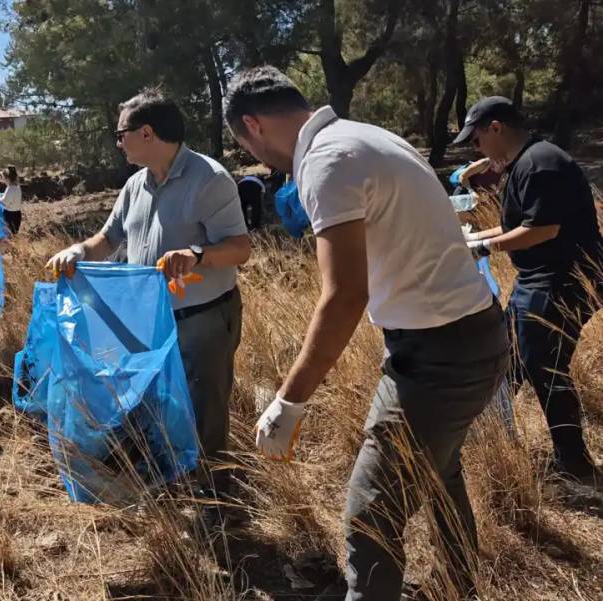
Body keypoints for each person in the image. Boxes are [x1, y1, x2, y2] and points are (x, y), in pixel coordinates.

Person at [225, 66, 508, 600]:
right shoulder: (367, 135)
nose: (258, 161)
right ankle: (458, 587)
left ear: (253, 125)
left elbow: (344, 294)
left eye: (246, 146)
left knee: (368, 519)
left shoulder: (325, 162)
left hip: (441, 355)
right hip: (464, 336)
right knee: (441, 474)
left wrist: (289, 402)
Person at [47, 90, 251, 503]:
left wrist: (196, 255)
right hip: (150, 322)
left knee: (204, 409)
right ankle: (170, 486)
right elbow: (108, 239)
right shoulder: (135, 185)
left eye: (121, 134)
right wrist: (78, 252)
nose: (118, 143)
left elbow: (241, 248)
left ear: (146, 133)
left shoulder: (209, 180)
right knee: (157, 405)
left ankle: (214, 498)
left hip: (203, 318)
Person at [457, 96, 603, 484]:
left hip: (563, 280)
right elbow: (514, 228)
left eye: (476, 140)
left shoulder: (541, 163)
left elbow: (542, 229)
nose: (477, 149)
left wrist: (484, 247)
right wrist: (464, 244)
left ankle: (576, 466)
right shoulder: (525, 164)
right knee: (508, 358)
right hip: (537, 279)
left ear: (496, 128)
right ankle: (499, 447)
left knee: (544, 365)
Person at [1, 165, 24, 235]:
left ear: (7, 178)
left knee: (8, 236)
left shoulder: (10, 188)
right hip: (17, 214)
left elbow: (4, 203)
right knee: (14, 235)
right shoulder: (18, 187)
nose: (3, 180)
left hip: (9, 215)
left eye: (3, 178)